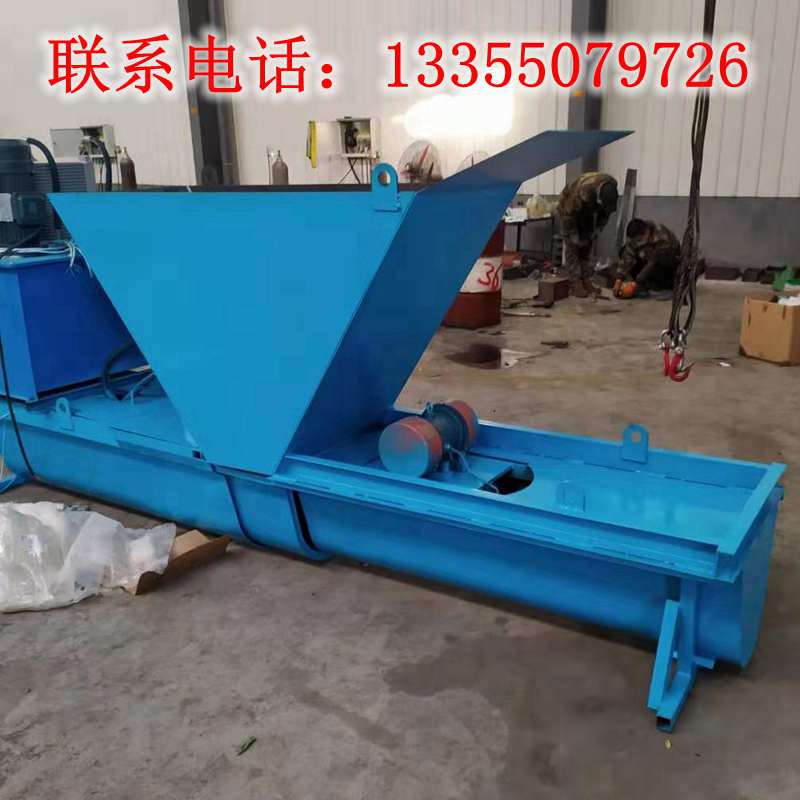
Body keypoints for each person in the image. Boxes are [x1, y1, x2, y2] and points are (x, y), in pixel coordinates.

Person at [556, 172, 619, 298]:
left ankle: (586, 280)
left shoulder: (611, 187)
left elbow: (606, 213)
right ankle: (575, 283)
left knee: (587, 243)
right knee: (573, 248)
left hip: (588, 208)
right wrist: (573, 235)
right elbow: (569, 216)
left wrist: (598, 229)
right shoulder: (581, 192)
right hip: (569, 210)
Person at [613, 218, 680, 299]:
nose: (637, 243)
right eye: (635, 241)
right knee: (623, 250)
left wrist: (637, 282)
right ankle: (644, 285)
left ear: (647, 232)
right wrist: (619, 279)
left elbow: (652, 262)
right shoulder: (637, 237)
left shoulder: (662, 237)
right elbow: (627, 256)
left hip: (667, 266)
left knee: (661, 259)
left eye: (639, 240)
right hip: (649, 260)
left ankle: (658, 285)